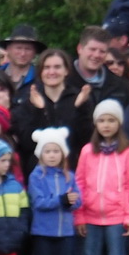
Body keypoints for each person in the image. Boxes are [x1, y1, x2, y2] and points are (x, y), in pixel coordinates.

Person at [74, 99, 129, 255]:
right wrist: (79, 215)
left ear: (119, 123)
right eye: (101, 120)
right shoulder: (87, 151)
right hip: (91, 216)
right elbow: (79, 183)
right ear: (95, 124)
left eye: (111, 120)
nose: (106, 125)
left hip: (117, 217)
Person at [25, 128, 80, 255]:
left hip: (65, 233)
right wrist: (61, 200)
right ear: (41, 154)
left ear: (63, 154)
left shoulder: (69, 176)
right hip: (43, 232)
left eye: (56, 151)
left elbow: (78, 199)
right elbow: (39, 202)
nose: (52, 155)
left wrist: (72, 201)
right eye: (47, 151)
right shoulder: (36, 176)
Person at [12, 48, 90, 176]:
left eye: (57, 67)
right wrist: (38, 110)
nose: (52, 72)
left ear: (66, 70)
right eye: (47, 67)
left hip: (71, 173)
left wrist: (80, 108)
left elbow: (86, 140)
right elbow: (26, 143)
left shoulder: (79, 98)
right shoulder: (29, 101)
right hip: (38, 175)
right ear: (41, 72)